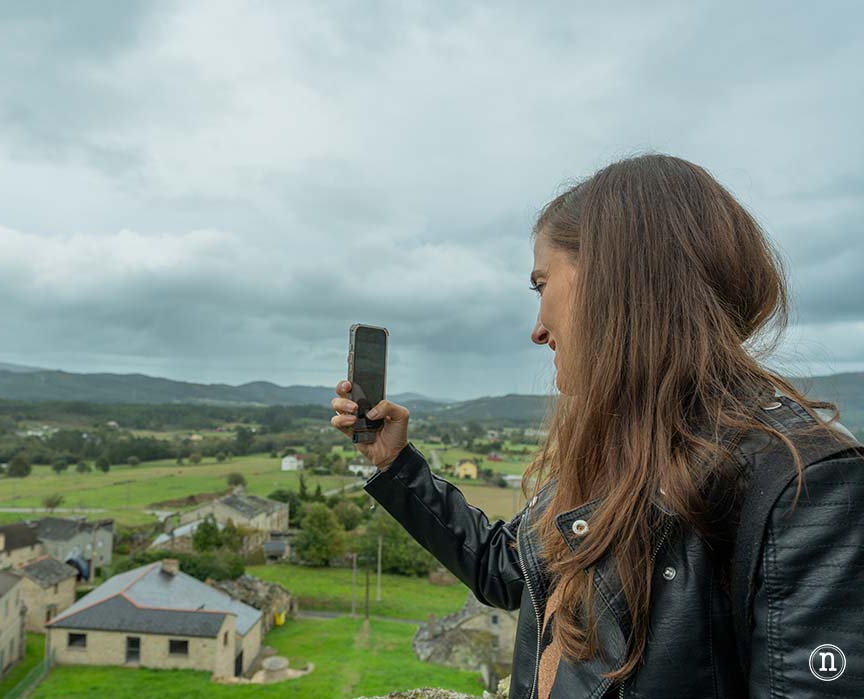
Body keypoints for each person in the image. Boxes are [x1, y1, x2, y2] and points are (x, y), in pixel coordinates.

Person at [330, 153, 864, 698]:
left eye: (542, 285)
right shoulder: (617, 450)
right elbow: (503, 570)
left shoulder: (801, 486)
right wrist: (396, 464)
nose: (538, 330)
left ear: (615, 281)